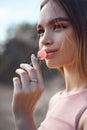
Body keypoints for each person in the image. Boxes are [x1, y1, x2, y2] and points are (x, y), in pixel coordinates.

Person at [12, 0, 87, 130]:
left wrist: (23, 117)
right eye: (41, 31)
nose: (44, 40)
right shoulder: (55, 99)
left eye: (58, 26)